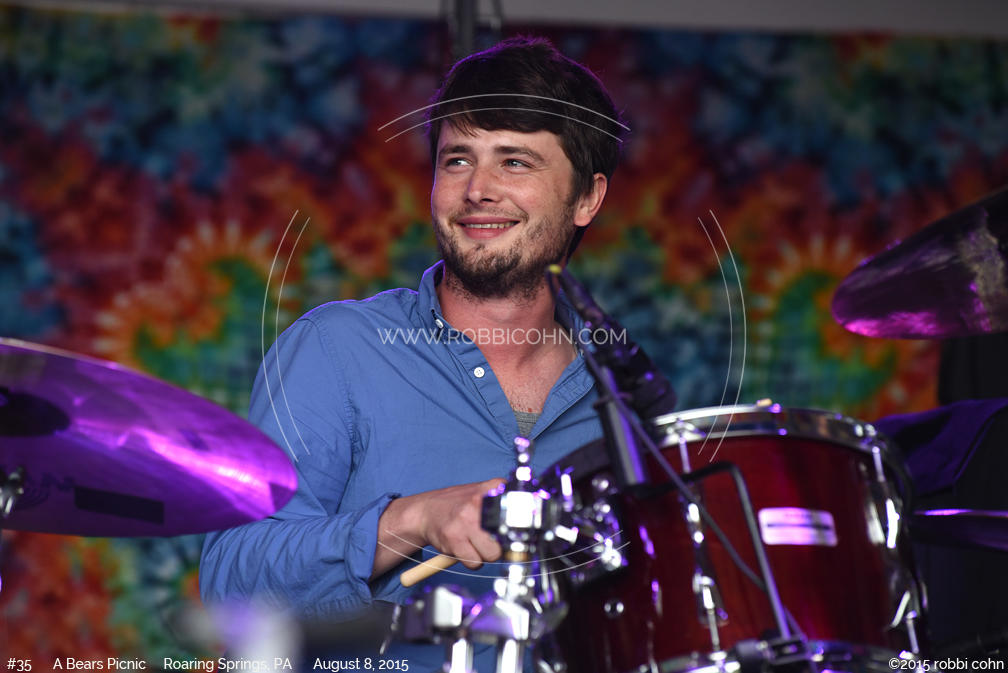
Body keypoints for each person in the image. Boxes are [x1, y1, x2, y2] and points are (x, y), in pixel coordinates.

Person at [199, 36, 626, 670]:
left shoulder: (622, 396)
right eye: (457, 160)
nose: (478, 189)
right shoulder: (336, 349)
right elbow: (231, 586)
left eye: (515, 162)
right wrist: (411, 520)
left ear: (586, 199)